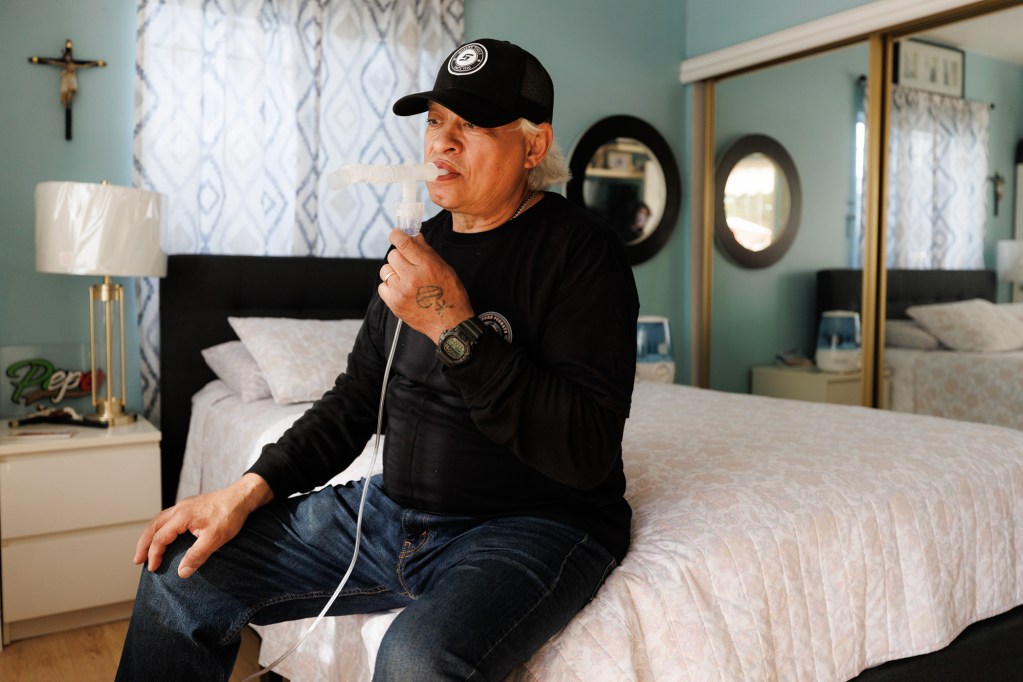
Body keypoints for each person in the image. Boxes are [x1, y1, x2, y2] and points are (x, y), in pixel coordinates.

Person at [116, 38, 639, 681]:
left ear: (534, 147)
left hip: (534, 525)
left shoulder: (584, 254)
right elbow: (357, 399)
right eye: (436, 122)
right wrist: (246, 491)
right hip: (393, 513)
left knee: (417, 658)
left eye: (473, 125)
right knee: (180, 574)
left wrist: (451, 325)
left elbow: (585, 449)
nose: (443, 144)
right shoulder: (416, 250)